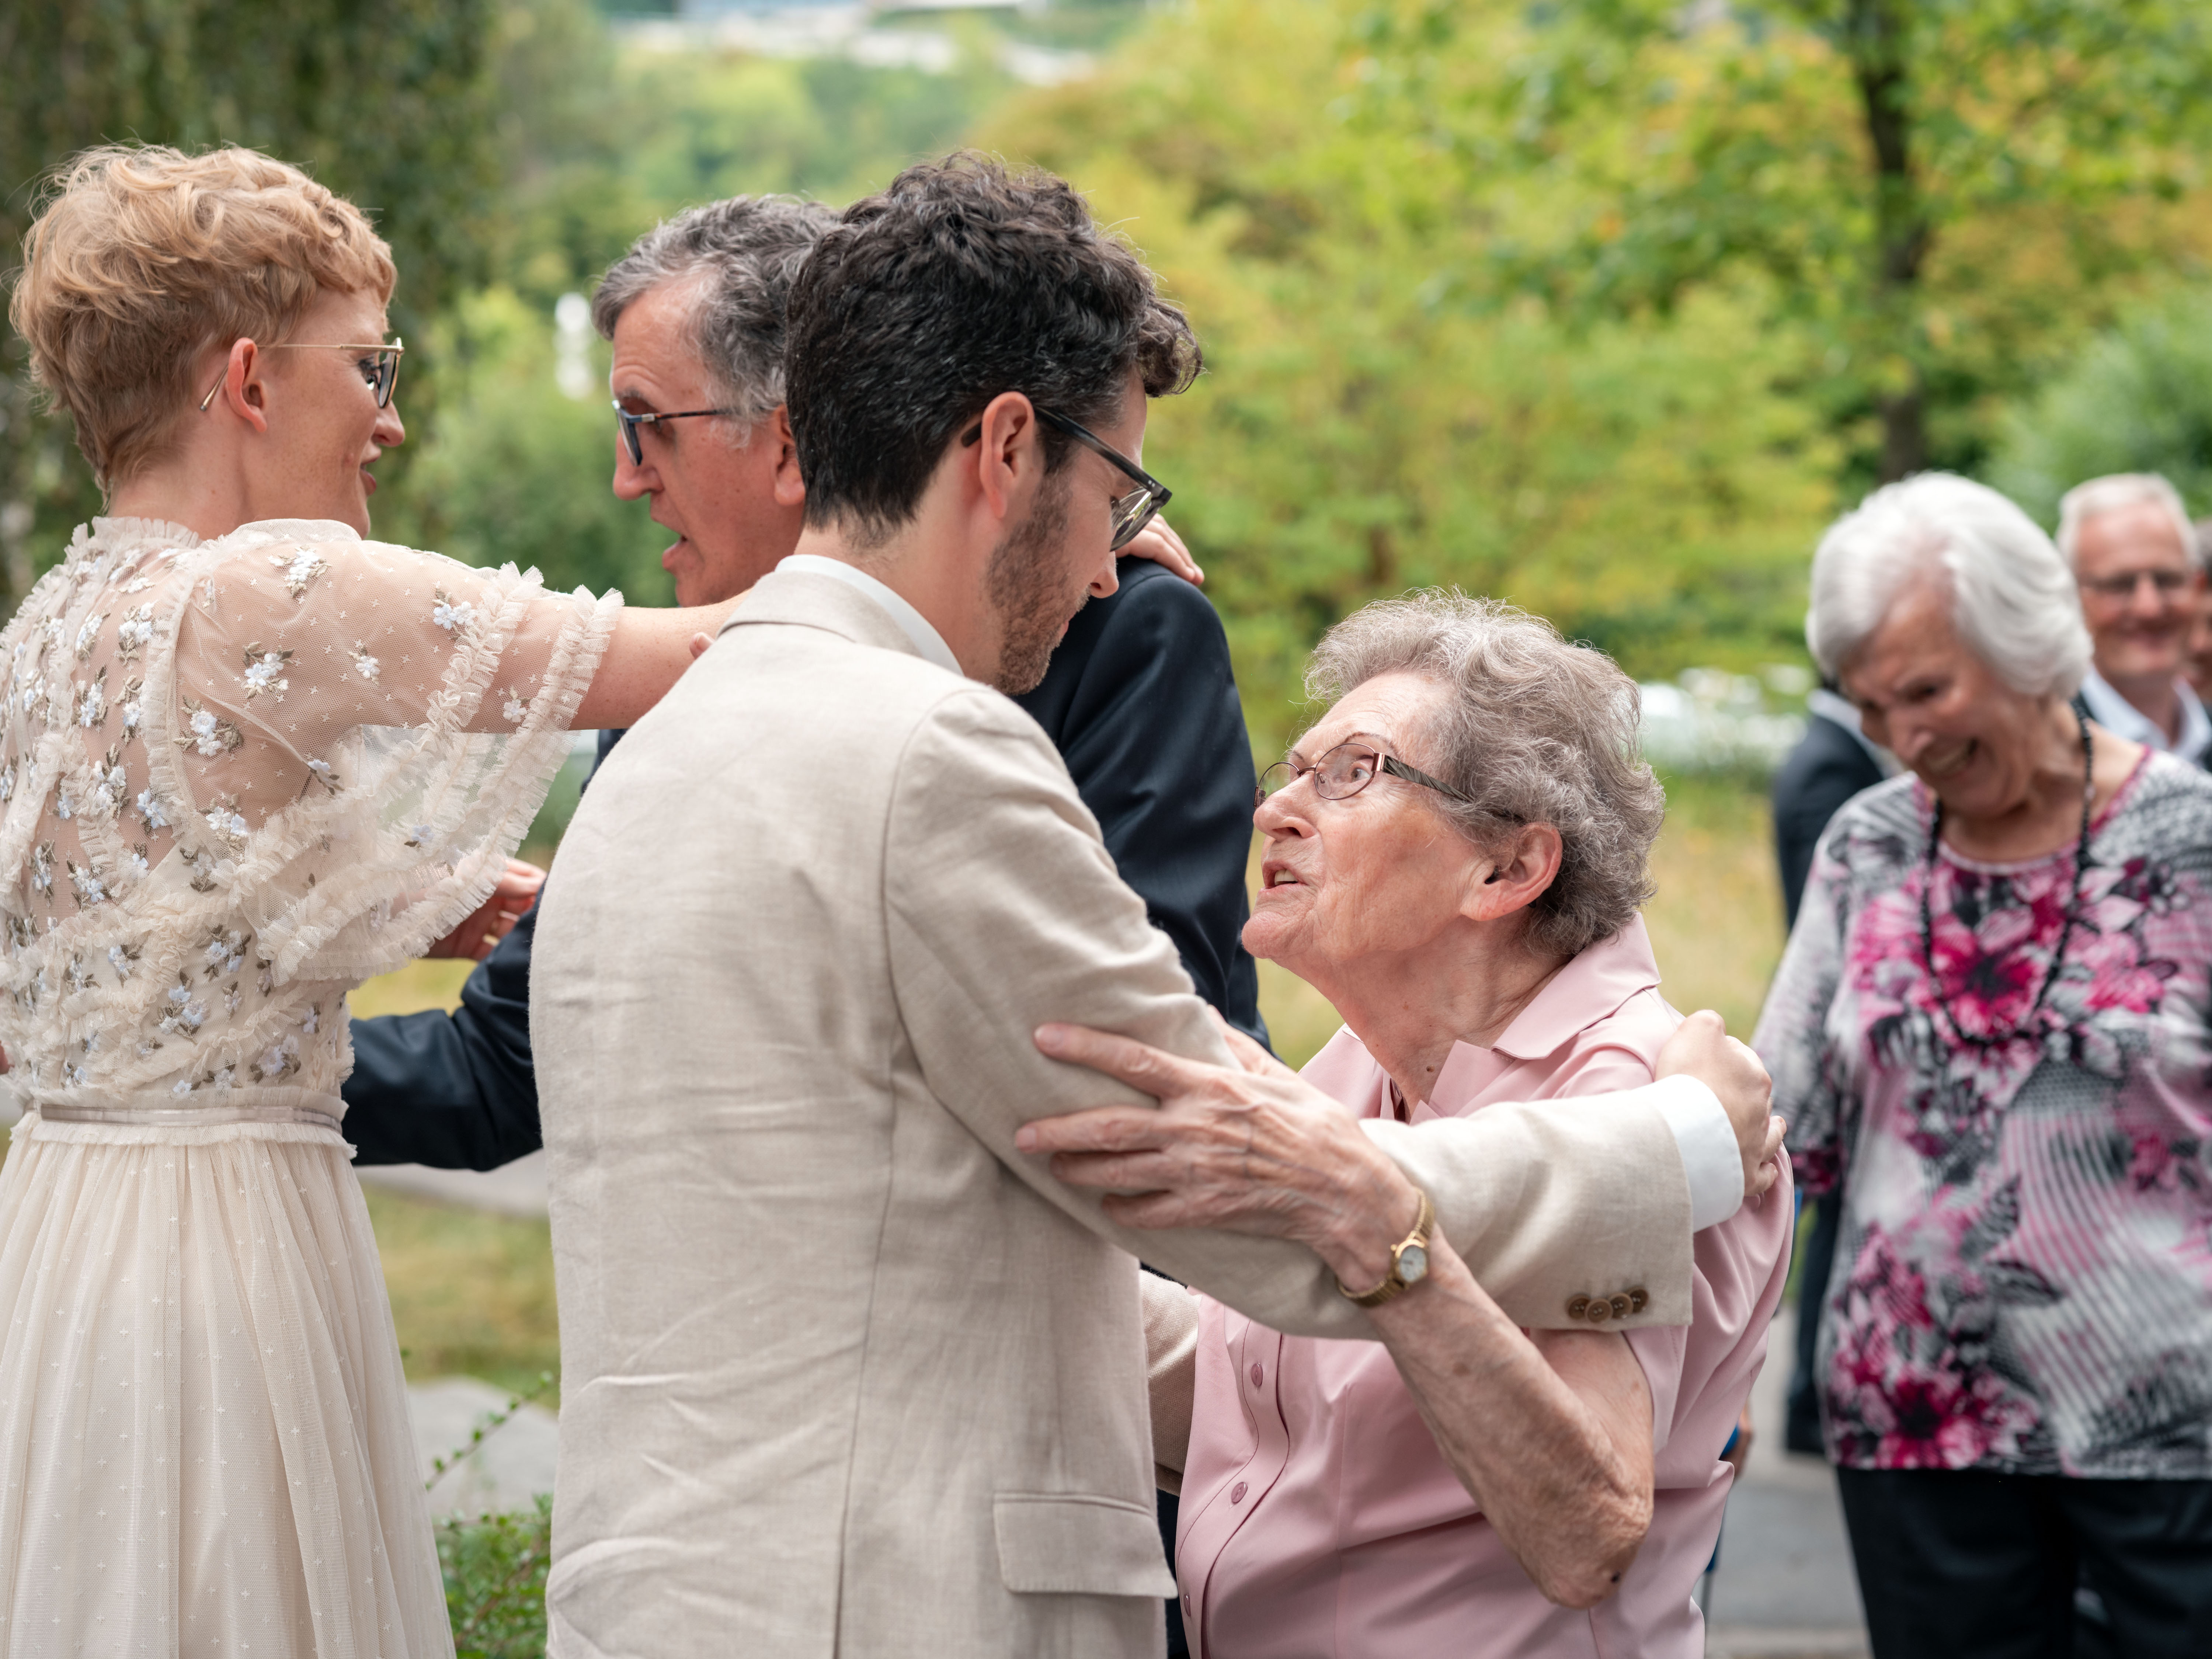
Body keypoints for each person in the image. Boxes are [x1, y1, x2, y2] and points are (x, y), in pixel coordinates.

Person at [530, 154, 1783, 1658]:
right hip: (891, 1605)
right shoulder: (931, 755)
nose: (1116, 573)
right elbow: (1244, 1185)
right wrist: (1682, 1149)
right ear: (1007, 449)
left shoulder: (662, 742)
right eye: (1115, 488)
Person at [0, 145, 735, 1655]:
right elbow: (705, 651)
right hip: (222, 1257)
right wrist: (1034, 531)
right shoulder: (271, 588)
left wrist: (413, 896)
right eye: (368, 364)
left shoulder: (49, 632)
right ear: (252, 382)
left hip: (58, 1242)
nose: (388, 417)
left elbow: (159, 917)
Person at [340, 195, 1264, 1193]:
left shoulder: (1124, 632)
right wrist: (211, 1073)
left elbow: (1163, 1062)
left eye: (647, 426)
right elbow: (504, 1071)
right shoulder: (674, 675)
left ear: (792, 440)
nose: (626, 477)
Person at [1029, 593, 1793, 1657]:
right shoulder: (1355, 1065)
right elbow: (1270, 1388)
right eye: (1291, 770)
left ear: (1509, 869)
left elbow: (1588, 1529)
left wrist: (1385, 1239)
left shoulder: (1623, 1082)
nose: (1276, 810)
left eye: (1352, 773)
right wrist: (1005, 1289)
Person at [1756, 473, 2212, 1659]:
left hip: (2168, 1429)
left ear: (2025, 647)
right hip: (1914, 1422)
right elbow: (1777, 1127)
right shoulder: (1868, 844)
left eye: (1924, 690)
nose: (1903, 738)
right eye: (1869, 707)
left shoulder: (2187, 842)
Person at [1770, 686, 1892, 1453]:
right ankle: (1810, 1402)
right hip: (1836, 1025)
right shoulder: (1827, 767)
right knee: (1827, 1218)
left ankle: (1810, 1400)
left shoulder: (1835, 753)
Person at [2059, 472, 2209, 766]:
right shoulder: (2047, 751)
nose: (2149, 608)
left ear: (2197, 585)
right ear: (2072, 597)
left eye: (2167, 580)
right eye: (2120, 585)